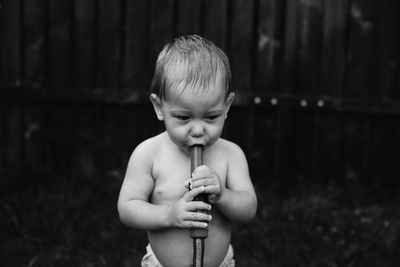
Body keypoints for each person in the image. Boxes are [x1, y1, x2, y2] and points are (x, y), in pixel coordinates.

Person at [117, 35, 257, 267]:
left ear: (227, 106)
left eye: (211, 117)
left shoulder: (231, 155)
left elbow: (248, 209)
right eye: (183, 117)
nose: (198, 130)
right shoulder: (149, 154)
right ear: (159, 107)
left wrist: (222, 195)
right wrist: (170, 215)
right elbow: (127, 208)